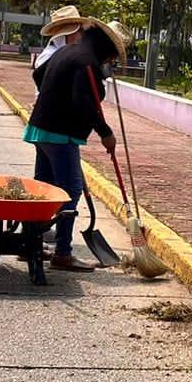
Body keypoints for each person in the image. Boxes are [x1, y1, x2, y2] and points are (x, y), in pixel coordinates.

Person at [27, 20, 124, 273]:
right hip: (60, 134)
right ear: (107, 47)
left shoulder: (68, 52)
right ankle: (62, 252)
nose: (111, 61)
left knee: (44, 188)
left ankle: (32, 243)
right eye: (113, 55)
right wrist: (106, 133)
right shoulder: (86, 61)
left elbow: (38, 74)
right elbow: (83, 102)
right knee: (70, 189)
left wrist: (53, 95)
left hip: (41, 128)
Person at [33, 5, 86, 92]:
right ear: (66, 35)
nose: (80, 36)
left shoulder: (68, 55)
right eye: (78, 31)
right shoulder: (48, 56)